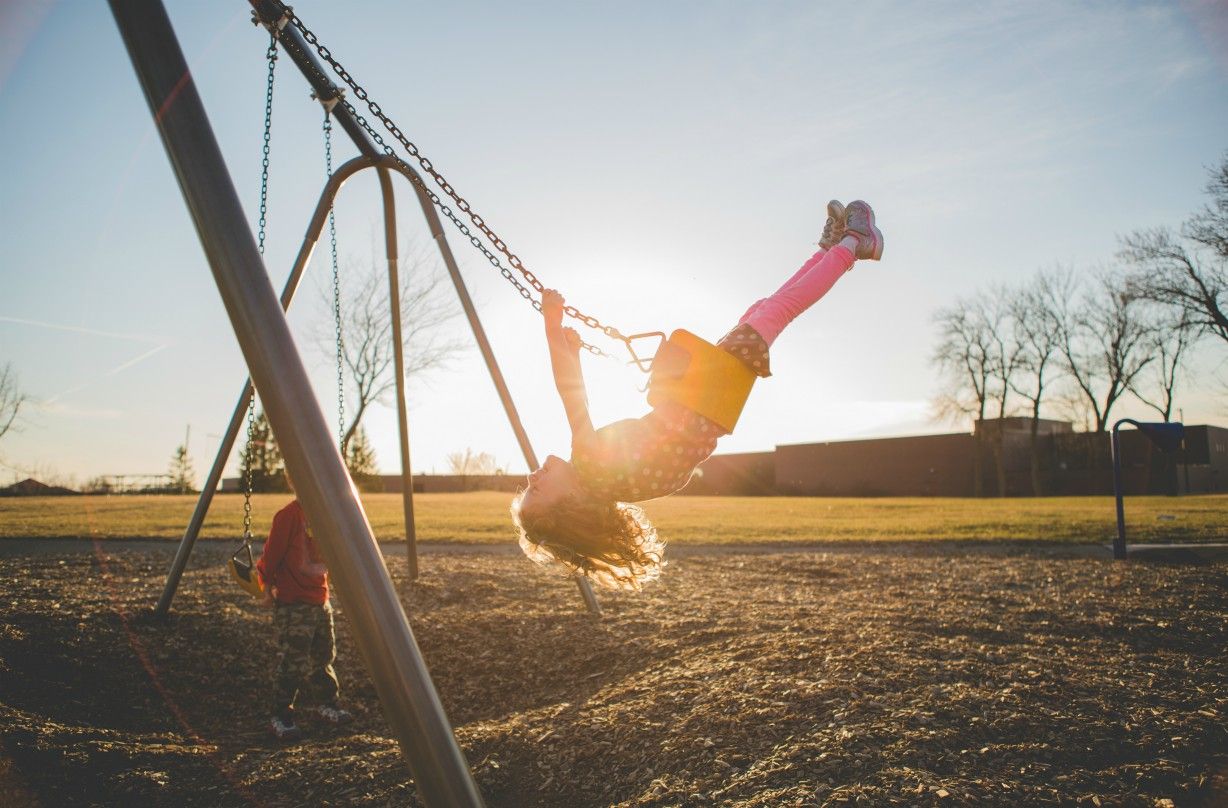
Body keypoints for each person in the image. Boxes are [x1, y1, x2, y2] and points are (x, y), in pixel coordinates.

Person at [511, 199, 883, 591]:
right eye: (537, 489)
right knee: (778, 309)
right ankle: (856, 243)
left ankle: (830, 250)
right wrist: (552, 325)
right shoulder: (590, 466)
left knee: (764, 310)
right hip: (703, 392)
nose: (533, 476)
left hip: (708, 401)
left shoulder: (608, 484)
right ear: (570, 502)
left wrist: (573, 351)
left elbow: (584, 400)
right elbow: (570, 395)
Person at [257, 471, 353, 740]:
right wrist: (265, 587)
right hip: (294, 602)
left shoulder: (325, 514)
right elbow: (271, 555)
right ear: (293, 482)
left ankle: (327, 704)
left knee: (324, 657)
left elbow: (331, 553)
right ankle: (280, 714)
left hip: (320, 599)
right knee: (294, 661)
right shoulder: (288, 515)